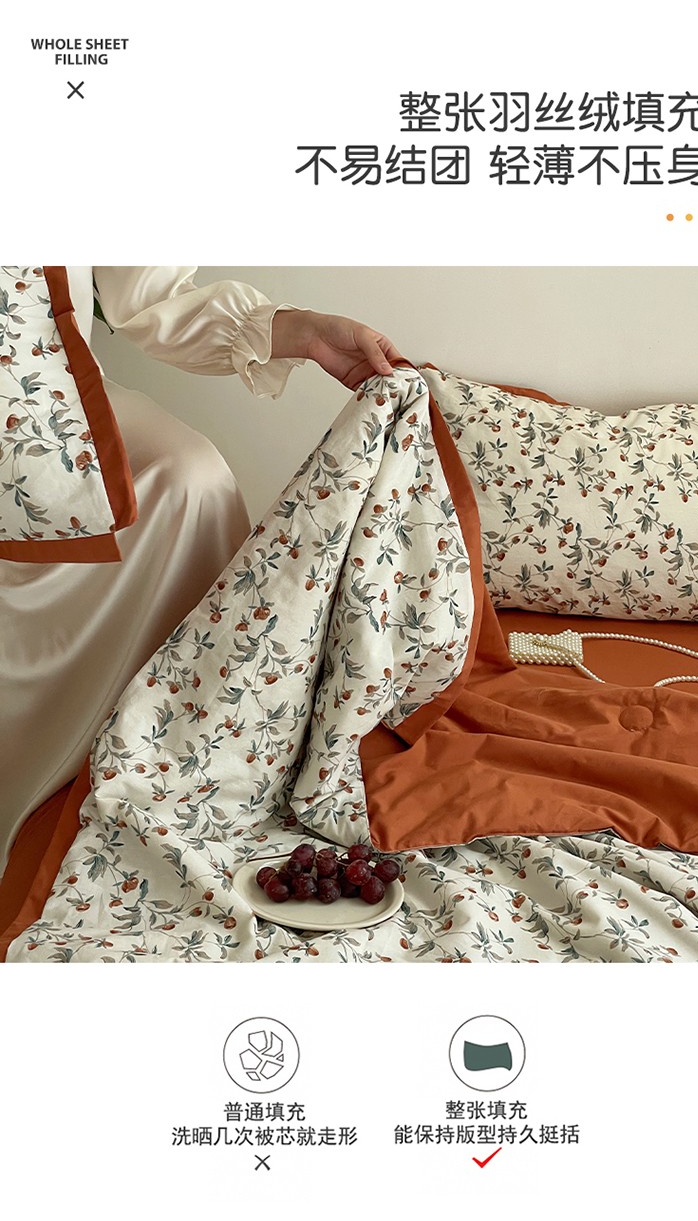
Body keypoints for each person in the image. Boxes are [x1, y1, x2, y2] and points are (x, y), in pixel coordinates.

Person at [0, 266, 401, 875]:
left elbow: (151, 294)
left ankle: (197, 768)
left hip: (51, 396)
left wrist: (300, 331)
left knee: (193, 481)